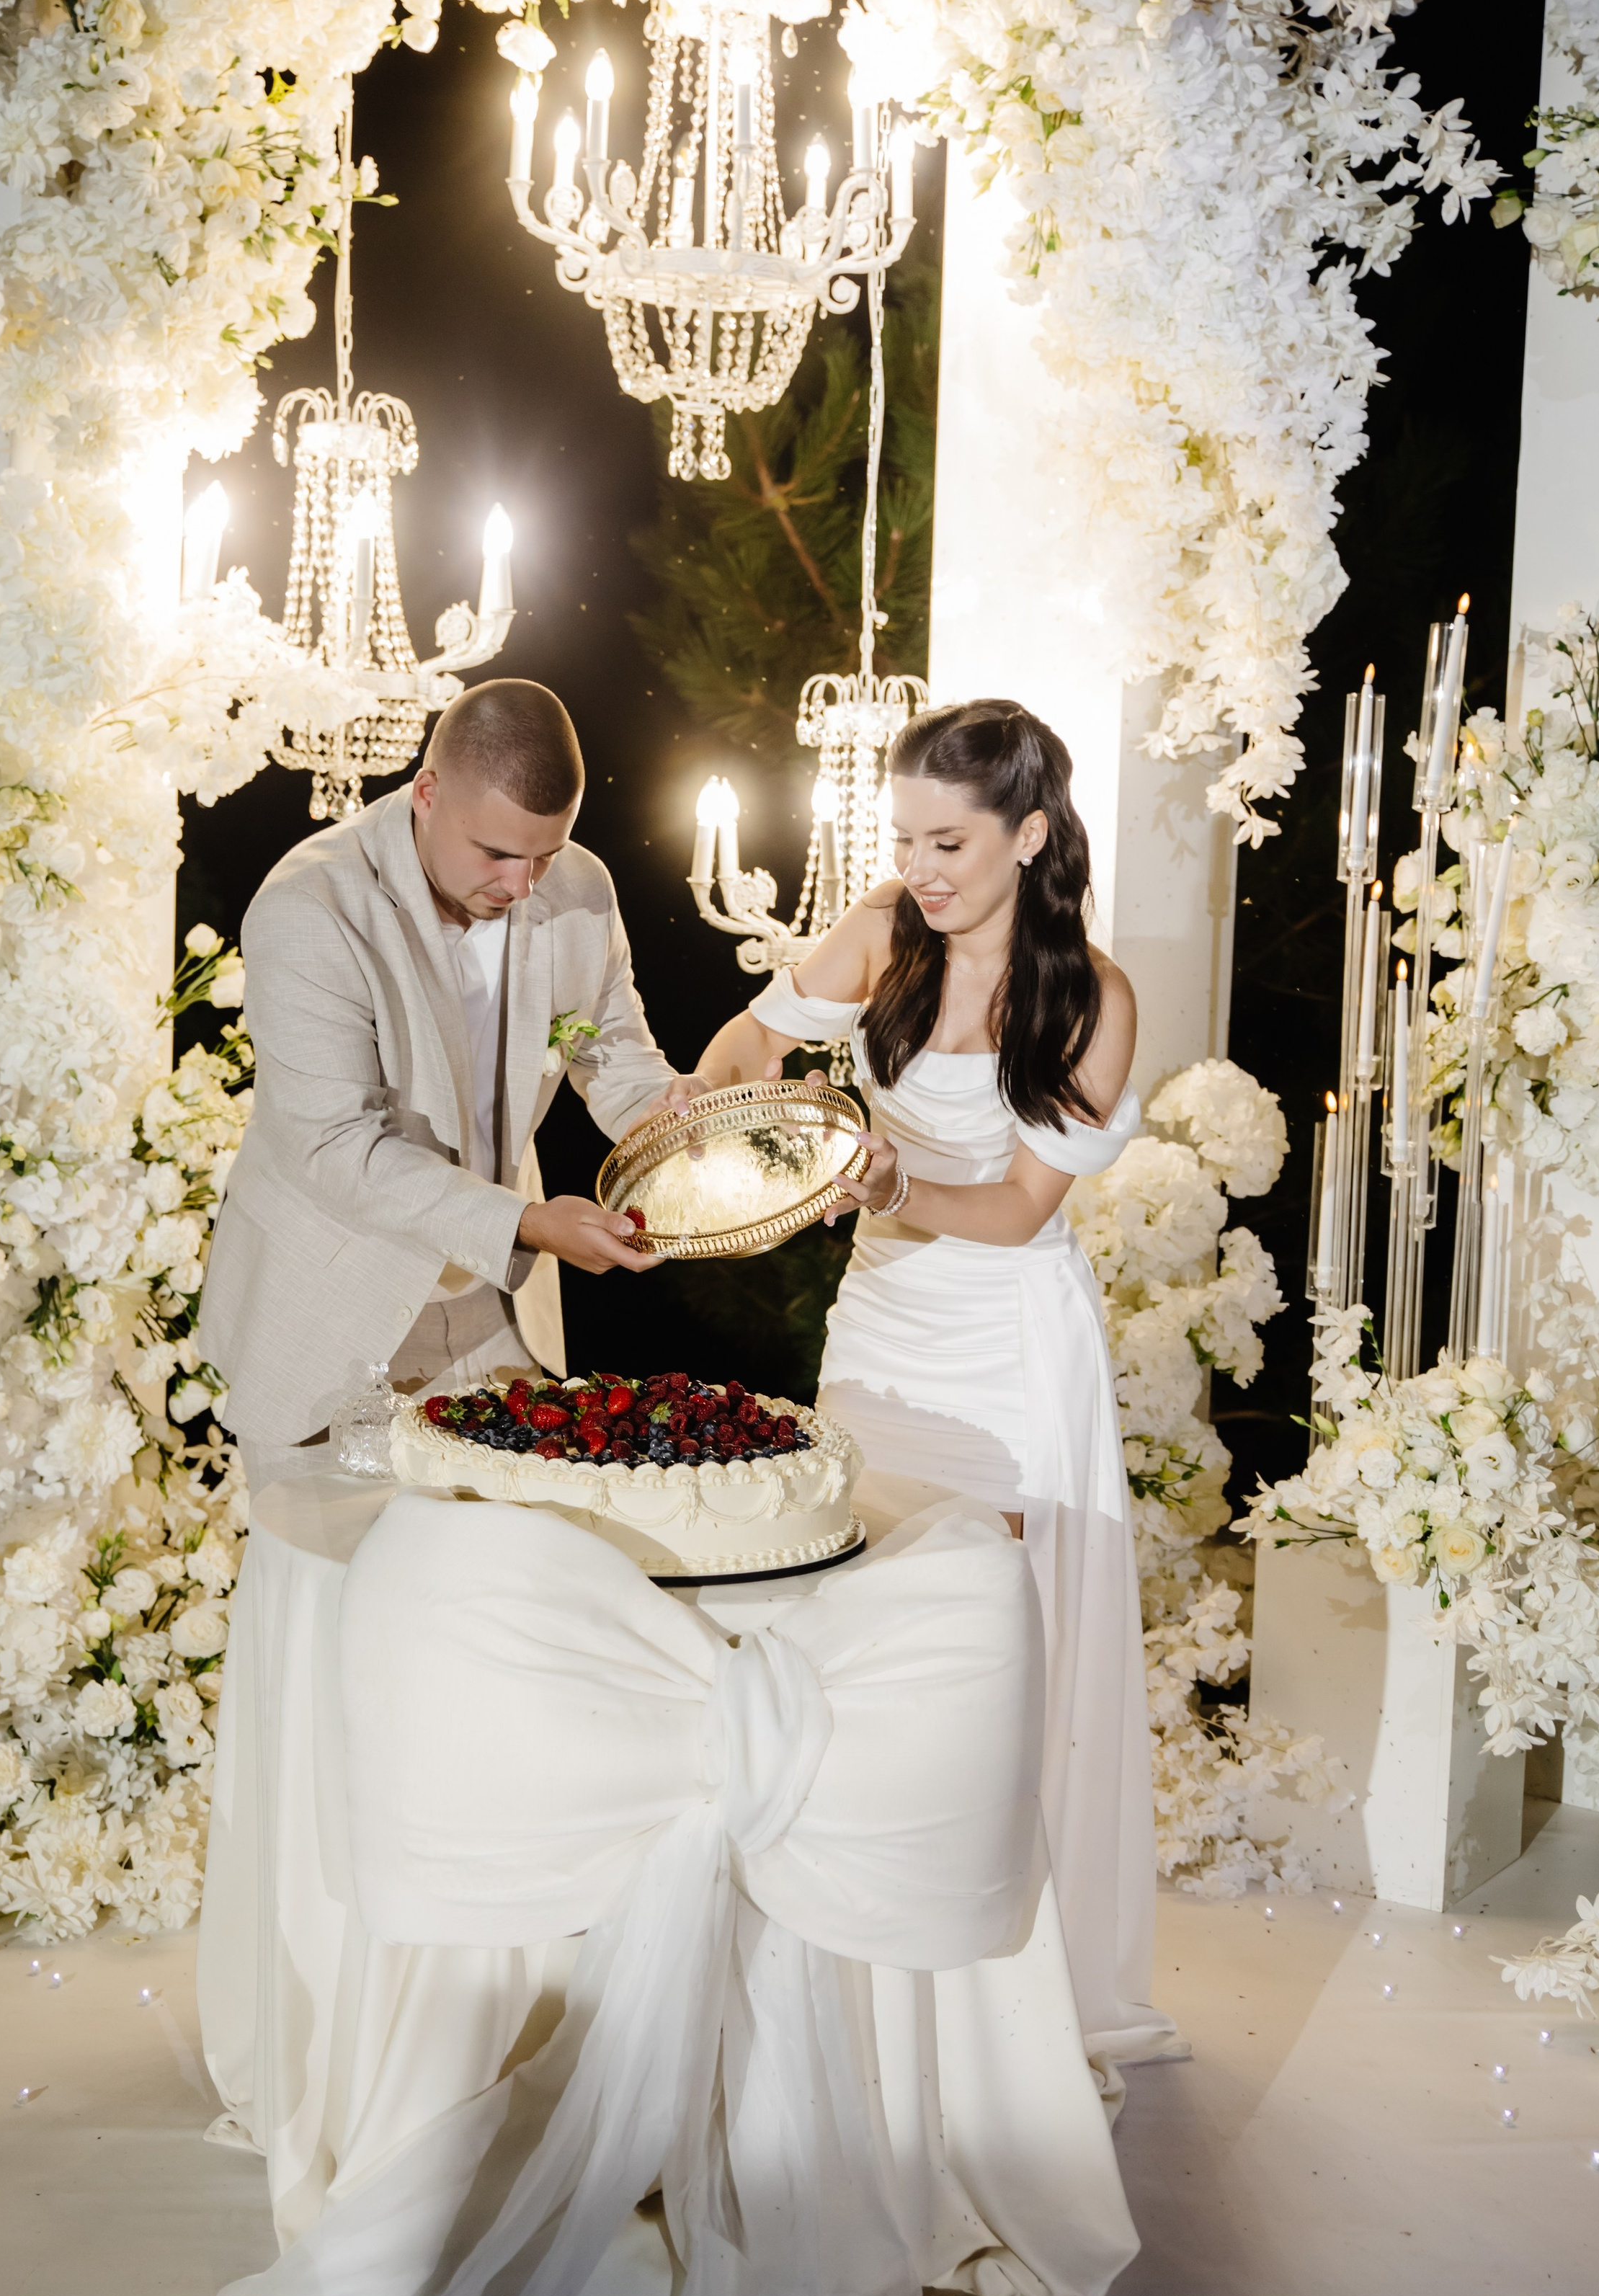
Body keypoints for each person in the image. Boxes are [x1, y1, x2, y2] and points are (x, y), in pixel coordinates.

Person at [684, 698, 1177, 2065]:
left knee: (990, 1652)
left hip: (1009, 1345)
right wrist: (723, 1108)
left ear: (1028, 834)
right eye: (904, 836)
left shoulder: (1092, 998)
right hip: (883, 1326)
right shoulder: (885, 928)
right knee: (858, 1612)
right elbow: (748, 1046)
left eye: (949, 840)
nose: (922, 866)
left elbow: (1022, 1210)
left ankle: (991, 1997)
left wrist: (896, 1181)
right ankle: (856, 1951)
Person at [199, 680, 680, 1500]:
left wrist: (685, 1123)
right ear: (425, 792)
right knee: (338, 1597)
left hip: (498, 1318)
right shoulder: (309, 906)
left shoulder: (580, 889)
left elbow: (617, 1060)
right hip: (333, 1314)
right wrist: (526, 1224)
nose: (524, 883)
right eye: (495, 852)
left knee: (491, 1590)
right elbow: (336, 1149)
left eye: (546, 854)